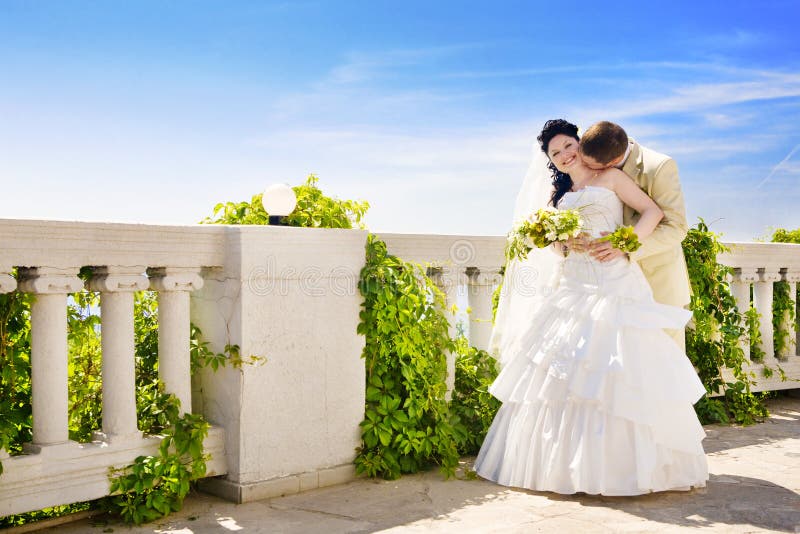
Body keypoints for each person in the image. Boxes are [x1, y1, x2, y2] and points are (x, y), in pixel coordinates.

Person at [475, 119, 708, 496]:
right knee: (566, 371)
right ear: (551, 161)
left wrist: (625, 243)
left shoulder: (612, 177)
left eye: (569, 145)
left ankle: (628, 467)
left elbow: (654, 213)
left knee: (619, 366)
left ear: (581, 143)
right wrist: (563, 242)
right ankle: (565, 468)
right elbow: (555, 246)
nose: (565, 155)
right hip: (573, 282)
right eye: (556, 153)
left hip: (614, 278)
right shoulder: (561, 190)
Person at [579, 121, 691, 351]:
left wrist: (626, 247)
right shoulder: (594, 152)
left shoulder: (659, 166)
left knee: (666, 358)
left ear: (609, 164)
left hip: (657, 279)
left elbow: (676, 226)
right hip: (613, 283)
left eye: (591, 166)